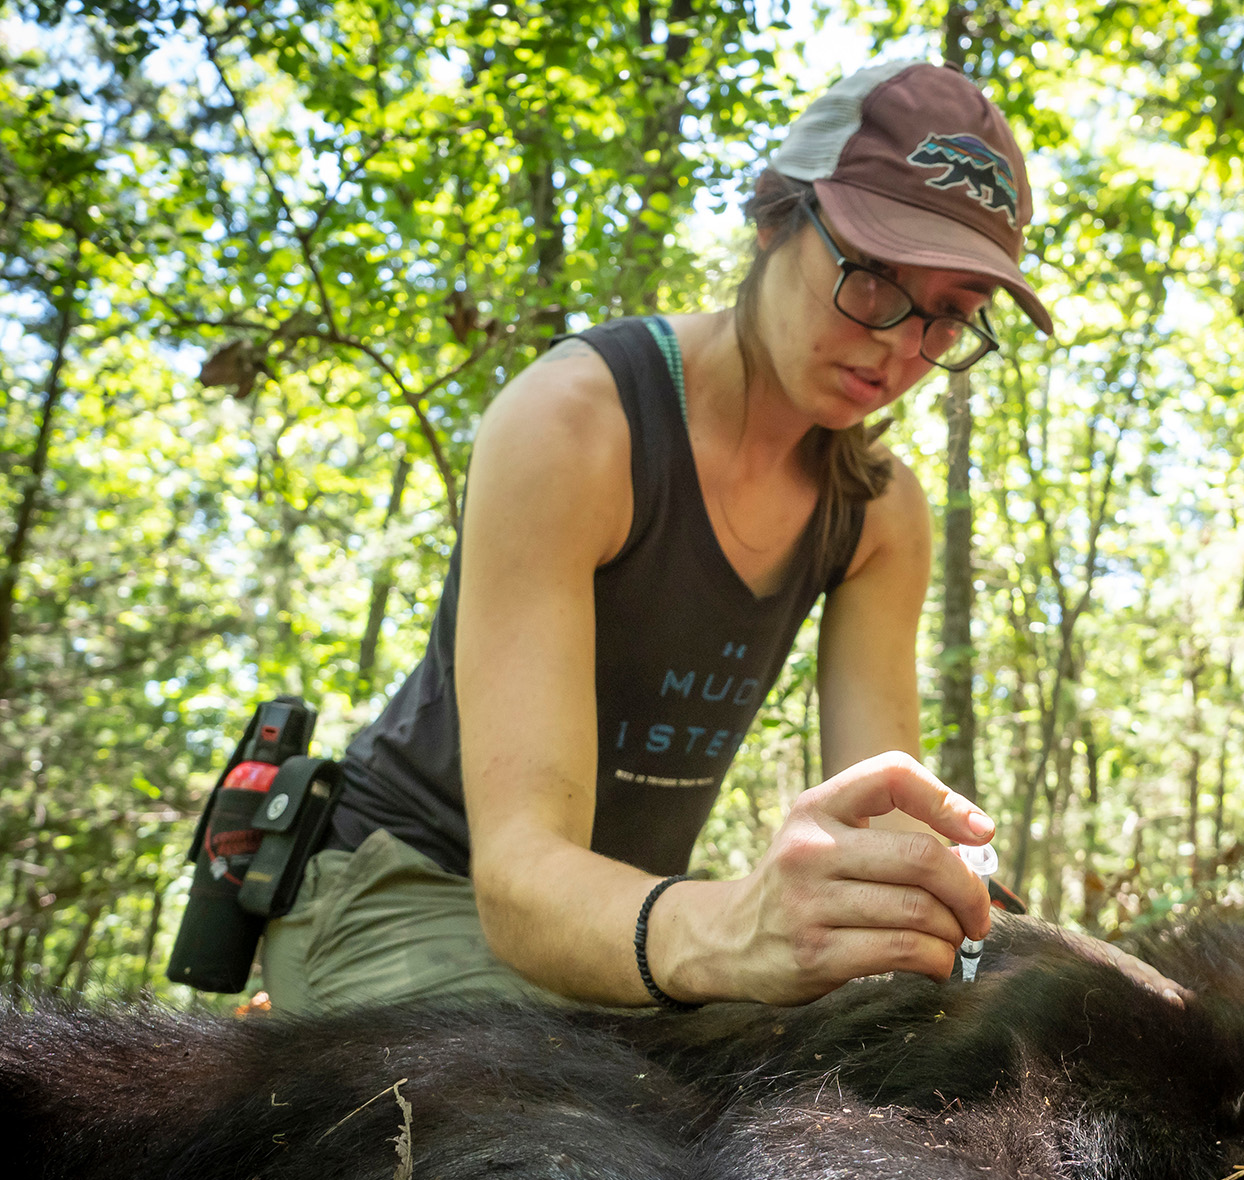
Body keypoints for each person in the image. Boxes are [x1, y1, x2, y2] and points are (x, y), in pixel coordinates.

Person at [259, 60, 1060, 1015]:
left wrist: (963, 933)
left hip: (627, 926)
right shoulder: (577, 424)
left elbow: (884, 818)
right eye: (874, 279)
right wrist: (734, 929)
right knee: (555, 1144)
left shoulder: (877, 513)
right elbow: (516, 882)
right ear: (773, 221)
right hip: (409, 887)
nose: (898, 345)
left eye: (951, 316)